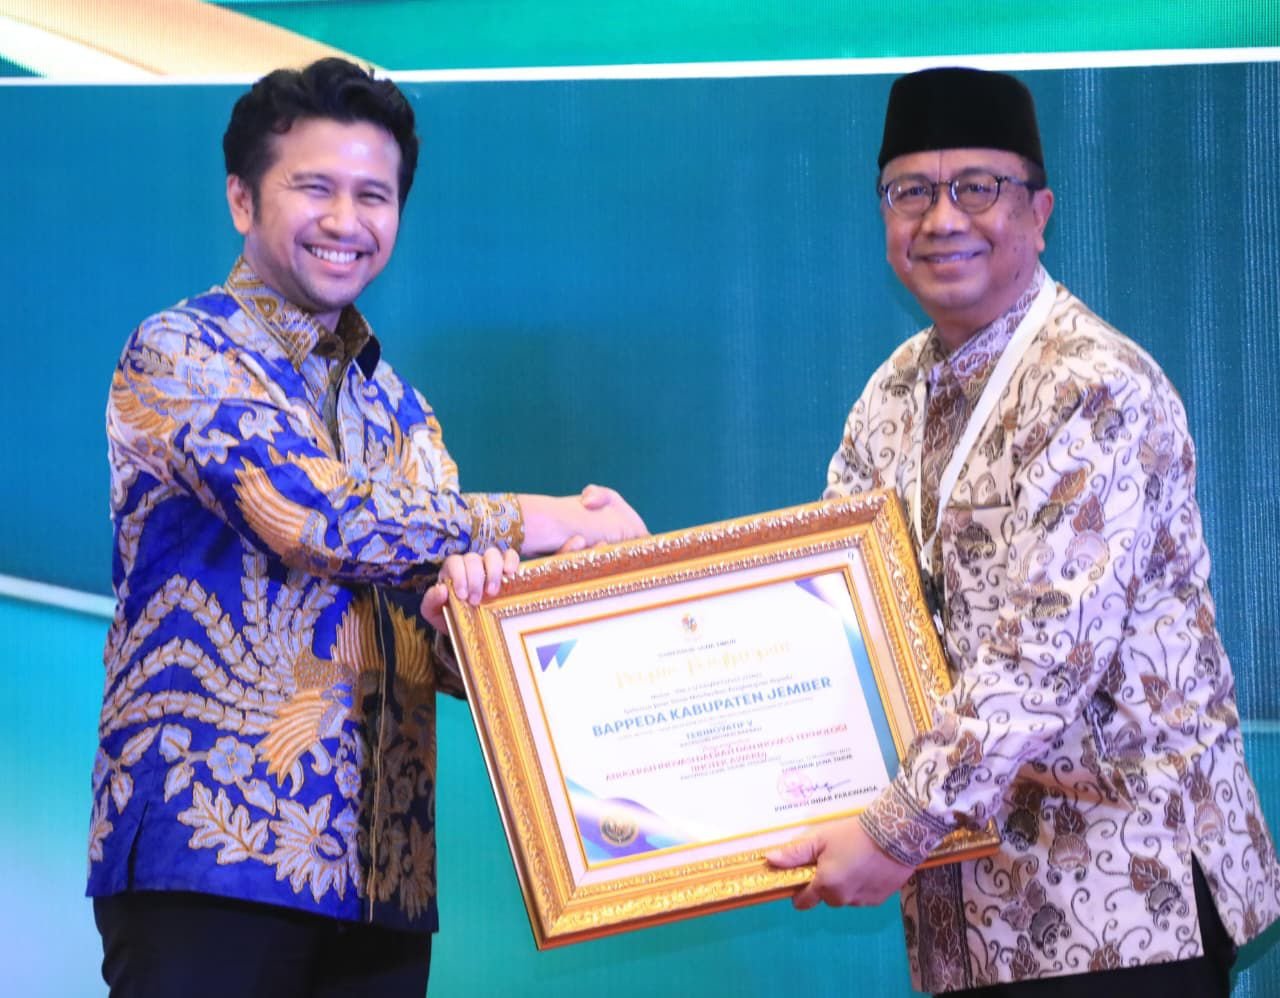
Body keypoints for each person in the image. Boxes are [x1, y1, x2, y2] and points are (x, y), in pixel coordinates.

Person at [86, 57, 645, 997]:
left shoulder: (401, 411)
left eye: (374, 196)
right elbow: (314, 519)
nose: (347, 221)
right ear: (241, 199)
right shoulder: (181, 350)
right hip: (214, 855)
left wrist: (479, 608)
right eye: (316, 188)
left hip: (386, 879)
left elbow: (449, 635)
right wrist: (546, 519)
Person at [768, 66, 1280, 996]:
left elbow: (1049, 650)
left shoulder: (1094, 386)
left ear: (1038, 213)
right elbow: (831, 605)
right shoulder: (889, 399)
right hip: (969, 917)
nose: (942, 218)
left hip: (1123, 913)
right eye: (910, 192)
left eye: (977, 187)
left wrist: (890, 831)